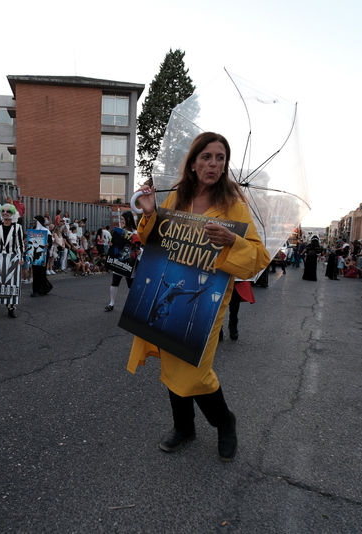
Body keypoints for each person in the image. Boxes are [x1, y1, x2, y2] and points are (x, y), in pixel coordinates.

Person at [128, 132, 269, 462]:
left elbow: (259, 258)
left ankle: (224, 422)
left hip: (207, 301)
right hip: (168, 293)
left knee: (194, 371)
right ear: (193, 163)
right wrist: (149, 213)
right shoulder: (176, 199)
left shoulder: (234, 207)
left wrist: (233, 242)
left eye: (220, 158)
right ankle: (184, 427)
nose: (213, 164)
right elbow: (153, 240)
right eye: (207, 157)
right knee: (171, 360)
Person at [0, 203, 23, 318]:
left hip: (12, 257)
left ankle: (11, 308)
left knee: (11, 283)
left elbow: (19, 245)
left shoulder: (17, 227)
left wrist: (21, 257)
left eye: (8, 211)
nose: (5, 213)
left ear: (13, 213)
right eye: (3, 211)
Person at [105, 211, 140, 311]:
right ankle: (111, 303)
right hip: (118, 261)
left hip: (129, 263)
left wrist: (140, 251)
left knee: (131, 285)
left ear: (128, 219)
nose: (121, 221)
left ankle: (135, 304)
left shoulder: (137, 234)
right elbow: (115, 246)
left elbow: (141, 248)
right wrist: (111, 244)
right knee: (114, 282)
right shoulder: (119, 232)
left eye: (122, 219)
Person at [28, 215, 53, 297]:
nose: (34, 222)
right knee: (35, 272)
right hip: (34, 253)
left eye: (35, 220)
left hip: (43, 254)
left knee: (41, 272)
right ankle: (35, 290)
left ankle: (43, 288)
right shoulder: (33, 230)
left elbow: (50, 242)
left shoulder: (46, 231)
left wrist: (48, 245)